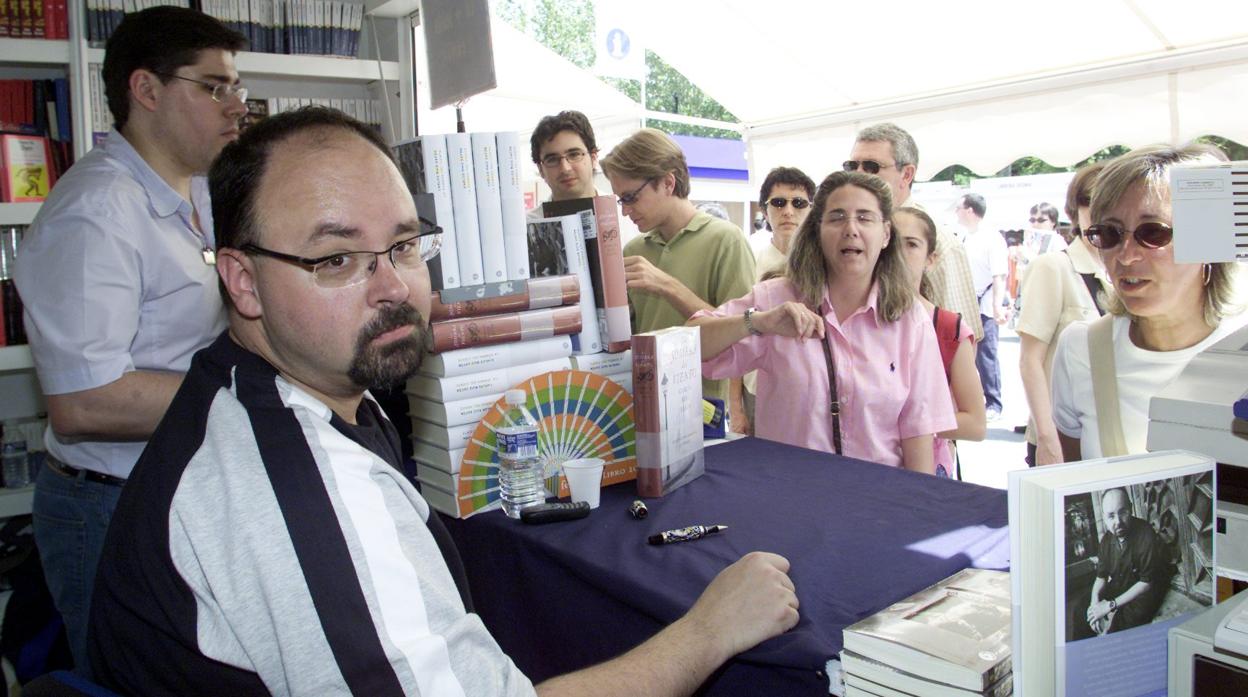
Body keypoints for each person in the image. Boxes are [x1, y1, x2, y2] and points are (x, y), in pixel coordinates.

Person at [88, 107, 799, 697]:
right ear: (242, 282)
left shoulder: (283, 390)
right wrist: (709, 630)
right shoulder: (290, 490)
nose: (394, 286)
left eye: (403, 245)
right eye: (335, 259)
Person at [11, 6, 247, 671]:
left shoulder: (192, 192)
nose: (236, 107)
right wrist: (245, 390)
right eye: (213, 87)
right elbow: (85, 400)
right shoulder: (97, 211)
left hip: (173, 488)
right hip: (106, 507)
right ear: (146, 91)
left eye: (238, 88)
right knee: (132, 680)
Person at [687, 171, 955, 472]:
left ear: (886, 235)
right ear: (817, 230)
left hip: (877, 502)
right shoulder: (776, 300)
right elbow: (686, 347)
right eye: (837, 217)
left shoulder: (909, 318)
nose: (851, 229)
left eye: (865, 218)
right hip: (791, 497)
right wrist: (758, 322)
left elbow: (917, 429)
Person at [1051, 144, 1247, 460]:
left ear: (1210, 241)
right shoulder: (1081, 349)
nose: (1126, 255)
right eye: (1110, 234)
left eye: (1153, 233)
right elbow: (1079, 485)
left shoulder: (1241, 351)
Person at [601, 128, 756, 404]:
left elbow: (743, 337)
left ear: (668, 183)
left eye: (630, 197)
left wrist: (667, 286)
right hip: (641, 406)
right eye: (620, 200)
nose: (624, 210)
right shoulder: (635, 250)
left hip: (704, 412)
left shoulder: (727, 241)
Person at [847, 123, 984, 344]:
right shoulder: (847, 236)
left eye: (871, 166)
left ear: (907, 174)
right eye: (852, 166)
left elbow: (961, 340)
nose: (858, 174)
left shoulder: (940, 242)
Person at [1017, 163, 1110, 466]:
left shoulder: (1128, 271)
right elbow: (1031, 360)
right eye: (1090, 204)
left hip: (1111, 438)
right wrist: (1047, 437)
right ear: (1075, 212)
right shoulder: (1053, 267)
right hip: (1061, 439)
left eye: (1110, 204)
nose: (1101, 214)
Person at [894, 207, 986, 477]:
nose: (898, 254)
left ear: (930, 258)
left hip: (928, 468)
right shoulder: (857, 319)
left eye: (911, 244)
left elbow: (975, 423)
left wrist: (898, 420)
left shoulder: (948, 328)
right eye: (891, 243)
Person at [734, 166, 816, 435]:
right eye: (778, 203)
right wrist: (736, 408)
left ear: (812, 209)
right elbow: (734, 333)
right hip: (757, 388)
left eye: (798, 203)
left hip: (811, 394)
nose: (788, 211)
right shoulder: (750, 260)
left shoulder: (826, 264)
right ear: (764, 210)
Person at [528, 110, 641, 244]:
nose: (565, 168)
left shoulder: (629, 216)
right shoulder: (528, 227)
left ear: (593, 157)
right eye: (552, 159)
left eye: (574, 154)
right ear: (541, 169)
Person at [1086, 488, 1171, 634]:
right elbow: (1101, 577)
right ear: (1104, 518)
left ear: (1131, 509)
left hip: (1145, 591)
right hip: (1122, 584)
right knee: (1080, 611)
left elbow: (1146, 583)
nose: (1118, 522)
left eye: (1122, 512)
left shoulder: (1145, 533)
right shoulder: (1106, 541)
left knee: (1118, 629)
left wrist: (1110, 605)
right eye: (1111, 516)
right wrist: (1094, 604)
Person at [958, 193, 1010, 421]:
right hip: (967, 300)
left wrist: (998, 305)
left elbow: (1000, 275)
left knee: (986, 354)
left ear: (970, 210)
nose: (956, 213)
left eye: (959, 208)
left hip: (985, 302)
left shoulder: (991, 237)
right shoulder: (965, 236)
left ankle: (994, 402)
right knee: (966, 354)